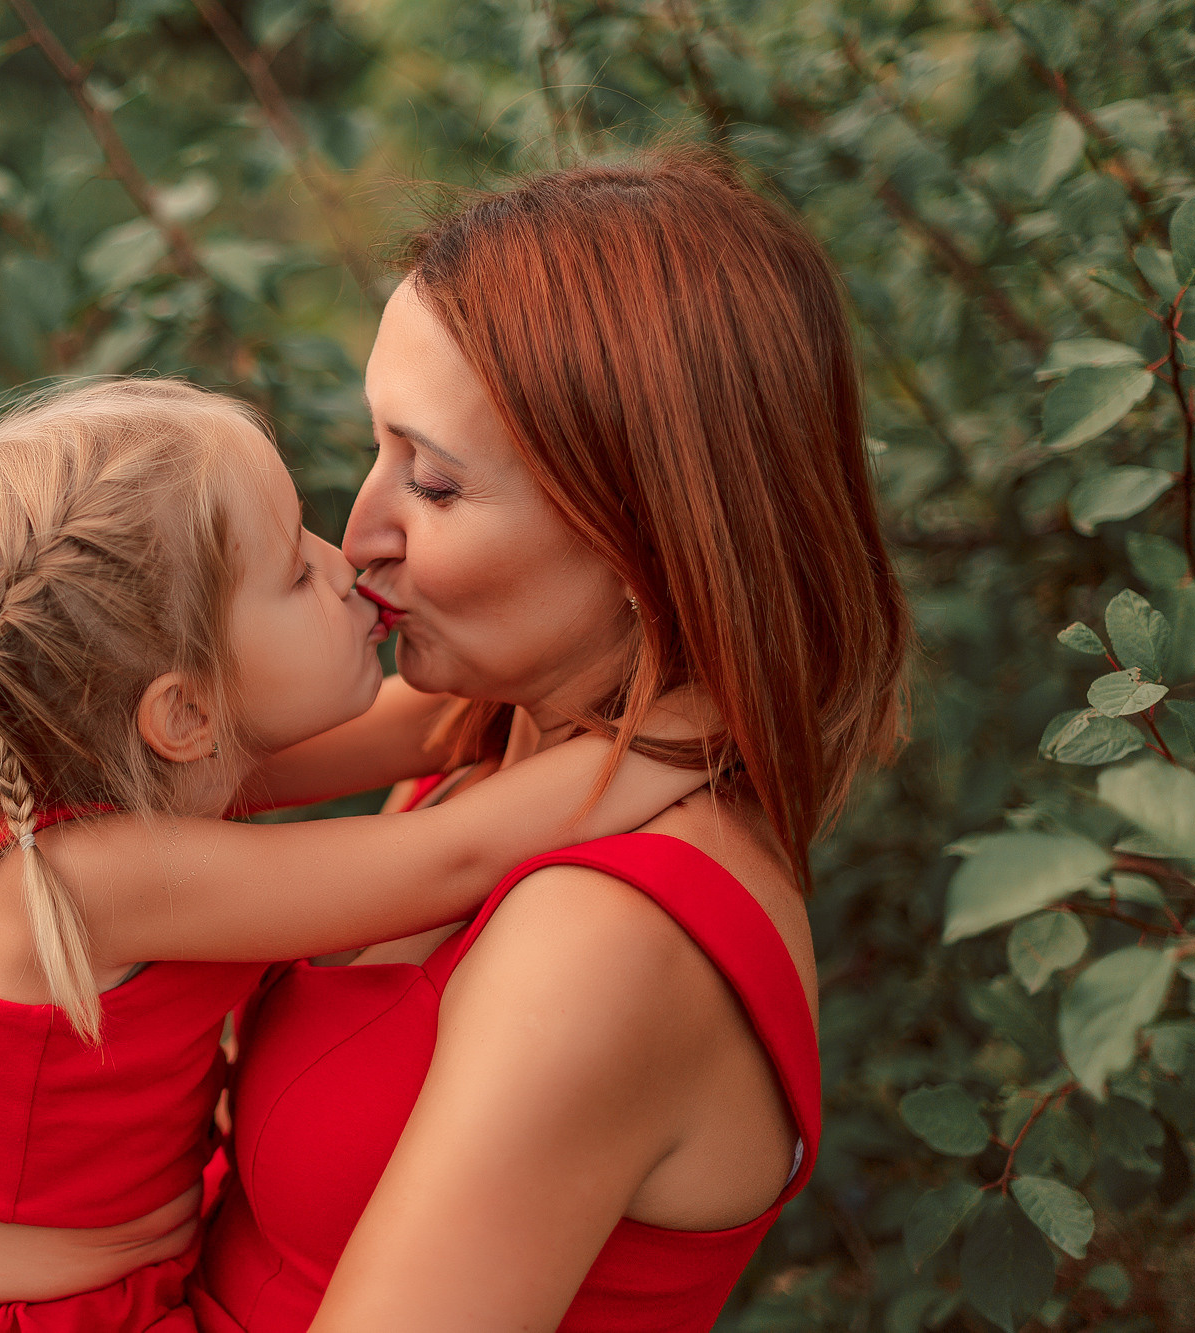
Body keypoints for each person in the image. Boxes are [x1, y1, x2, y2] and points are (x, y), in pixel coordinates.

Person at [191, 149, 911, 1332]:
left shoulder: (606, 937)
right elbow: (129, 783)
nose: (357, 530)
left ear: (640, 538)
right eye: (376, 449)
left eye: (429, 483)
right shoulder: (486, 739)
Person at [0, 377, 709, 1332]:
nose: (344, 563)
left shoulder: (118, 766)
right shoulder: (99, 876)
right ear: (183, 711)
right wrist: (704, 715)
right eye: (296, 573)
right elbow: (450, 857)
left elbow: (432, 730)